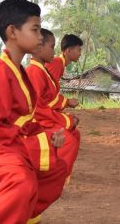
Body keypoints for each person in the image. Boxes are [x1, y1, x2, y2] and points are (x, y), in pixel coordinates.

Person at [0, 0, 67, 223]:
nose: (40, 37)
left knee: (57, 170)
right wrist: (36, 140)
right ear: (12, 31)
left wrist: (47, 135)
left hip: (14, 143)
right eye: (35, 29)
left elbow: (25, 120)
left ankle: (22, 216)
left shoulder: (19, 72)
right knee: (21, 181)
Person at [26, 28, 80, 176]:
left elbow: (49, 95)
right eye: (51, 47)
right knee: (69, 141)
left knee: (74, 135)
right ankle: (54, 176)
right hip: (37, 120)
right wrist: (66, 119)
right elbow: (38, 106)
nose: (54, 51)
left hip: (44, 115)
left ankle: (58, 174)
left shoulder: (42, 69)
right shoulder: (44, 68)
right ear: (39, 47)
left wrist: (66, 105)